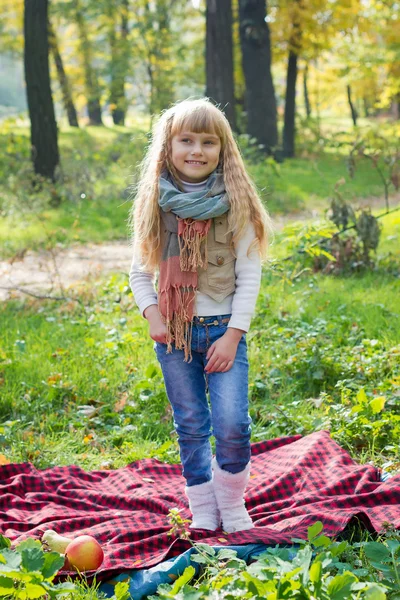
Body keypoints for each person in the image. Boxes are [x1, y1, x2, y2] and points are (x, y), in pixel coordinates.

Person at [129, 98, 272, 533]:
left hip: (222, 329)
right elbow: (139, 271)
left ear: (222, 149)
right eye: (186, 140)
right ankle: (203, 506)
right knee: (190, 424)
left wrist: (232, 335)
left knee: (231, 423)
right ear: (168, 147)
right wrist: (153, 315)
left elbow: (249, 276)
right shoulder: (157, 203)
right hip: (174, 333)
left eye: (208, 142)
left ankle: (231, 503)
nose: (197, 150)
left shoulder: (237, 205)